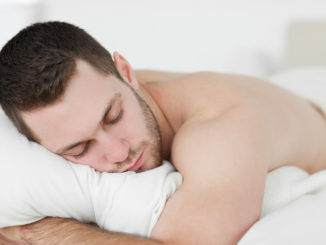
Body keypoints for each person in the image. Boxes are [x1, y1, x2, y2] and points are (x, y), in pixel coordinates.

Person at [1, 21, 326, 245]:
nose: (116, 154)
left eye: (113, 116)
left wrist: (39, 234)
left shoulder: (218, 131)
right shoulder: (96, 94)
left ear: (127, 72)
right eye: (79, 148)